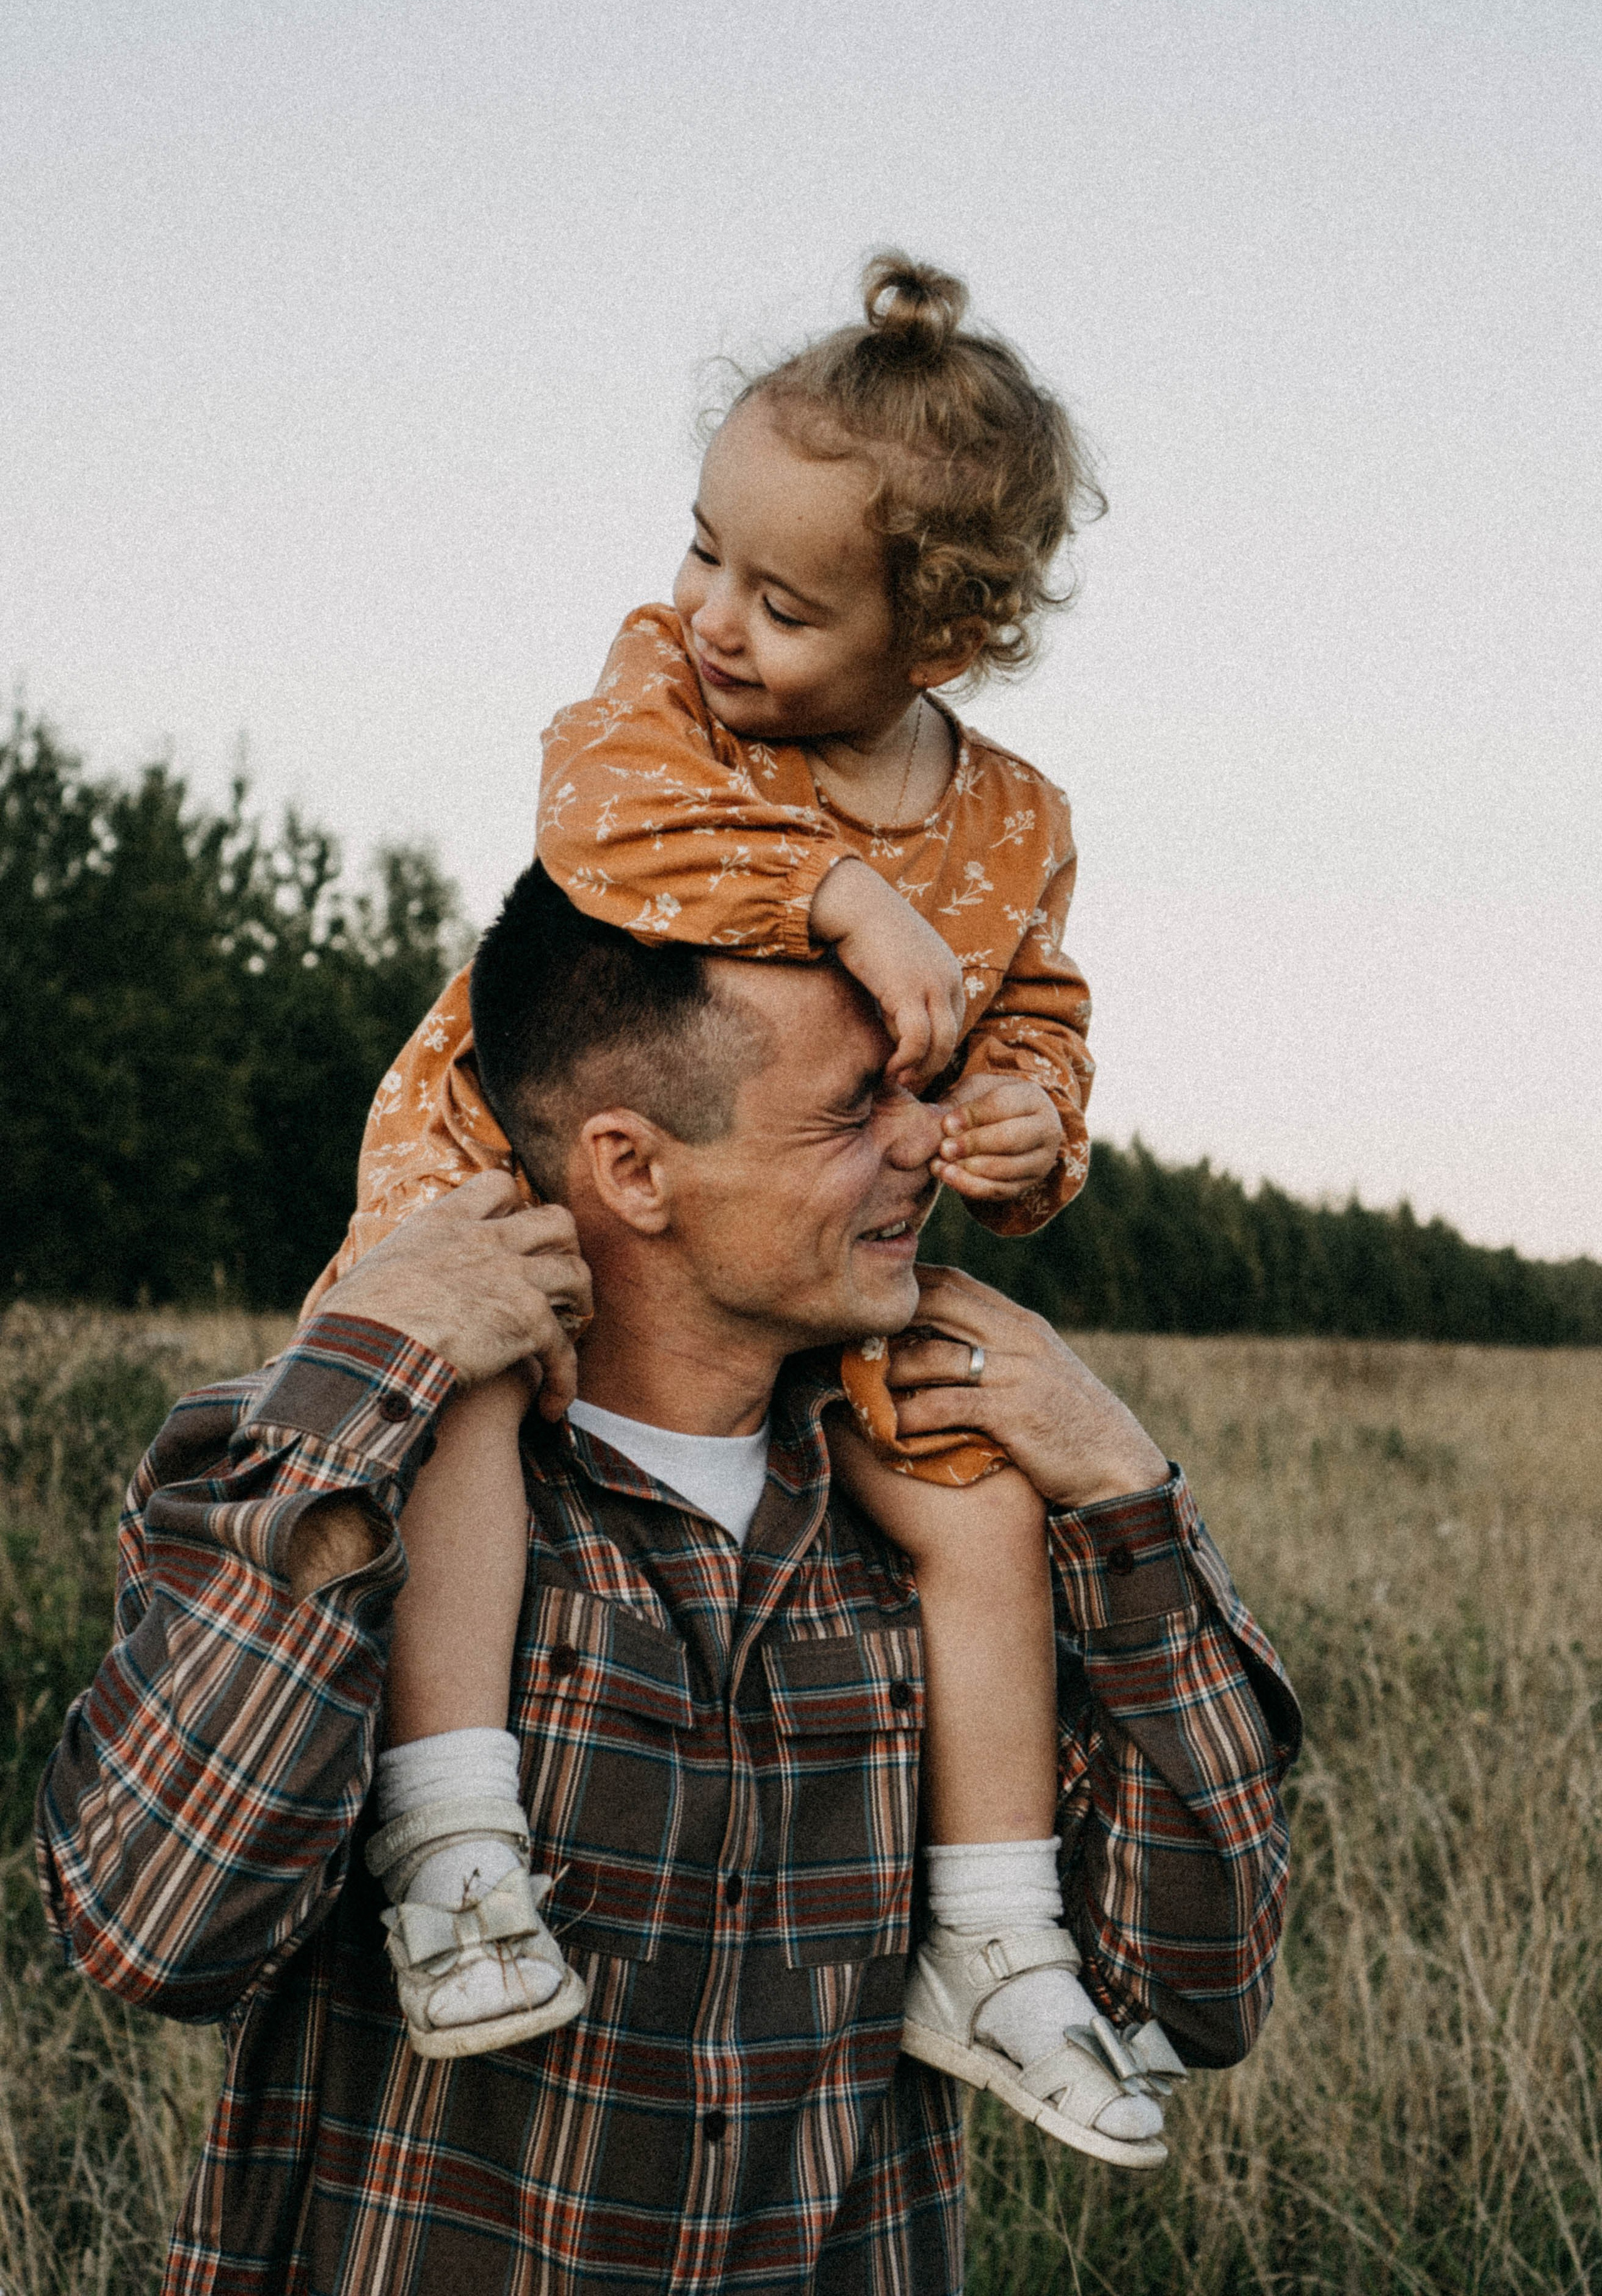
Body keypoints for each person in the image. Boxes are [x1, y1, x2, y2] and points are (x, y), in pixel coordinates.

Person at [38, 871, 1300, 2296]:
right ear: (632, 1168)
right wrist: (370, 1379)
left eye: (918, 1091)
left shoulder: (951, 1518)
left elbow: (1195, 1990)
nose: (923, 1143)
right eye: (850, 1112)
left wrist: (1121, 1492)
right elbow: (159, 1936)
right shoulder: (352, 1463)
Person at [306, 257, 1141, 2117]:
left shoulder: (1017, 822)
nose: (713, 619)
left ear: (938, 639)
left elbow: (1041, 1013)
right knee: (475, 1382)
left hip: (819, 1217)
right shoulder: (662, 703)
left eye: (784, 600)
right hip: (521, 1150)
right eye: (703, 554)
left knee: (974, 1491)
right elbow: (589, 816)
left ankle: (995, 1940)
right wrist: (832, 891)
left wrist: (1025, 1114)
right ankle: (451, 1846)